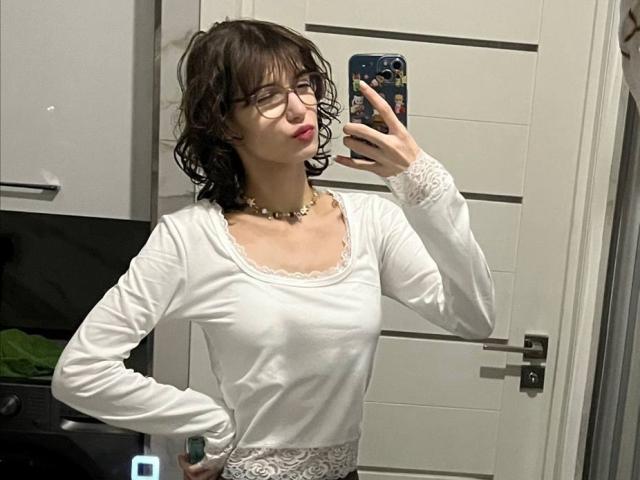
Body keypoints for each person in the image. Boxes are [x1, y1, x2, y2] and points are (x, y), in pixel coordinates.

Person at [51, 18, 496, 480]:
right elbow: (81, 371)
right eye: (266, 97)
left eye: (303, 85)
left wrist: (422, 182)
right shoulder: (192, 237)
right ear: (225, 122)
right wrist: (207, 422)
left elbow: (474, 317)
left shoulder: (371, 222)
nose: (299, 109)